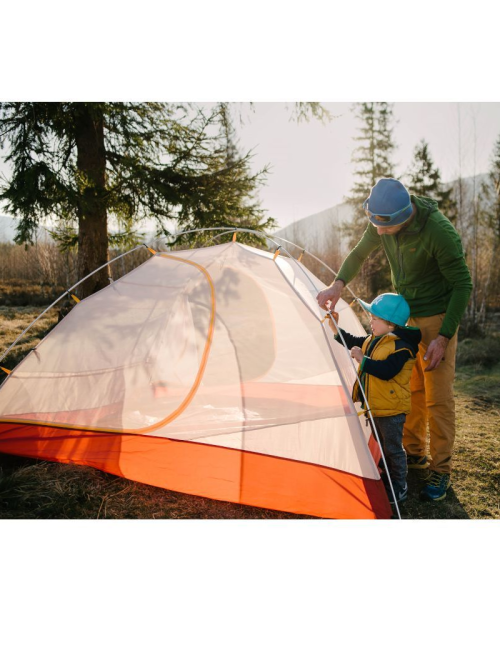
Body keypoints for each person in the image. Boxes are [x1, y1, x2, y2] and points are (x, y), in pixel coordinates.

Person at [318, 178, 473, 502]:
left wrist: (443, 337)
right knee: (410, 387)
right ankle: (414, 453)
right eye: (376, 224)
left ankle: (440, 470)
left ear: (405, 215)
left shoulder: (438, 232)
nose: (380, 232)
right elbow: (360, 253)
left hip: (437, 317)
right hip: (403, 319)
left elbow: (462, 284)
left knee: (438, 398)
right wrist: (337, 285)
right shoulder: (382, 220)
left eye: (385, 227)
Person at [328, 293, 421, 505]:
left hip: (392, 410)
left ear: (390, 324)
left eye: (375, 318)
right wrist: (336, 328)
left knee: (393, 448)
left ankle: (400, 486)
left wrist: (363, 359)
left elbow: (388, 371)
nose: (370, 321)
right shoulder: (374, 340)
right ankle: (388, 478)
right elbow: (351, 341)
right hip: (376, 407)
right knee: (382, 445)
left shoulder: (402, 348)